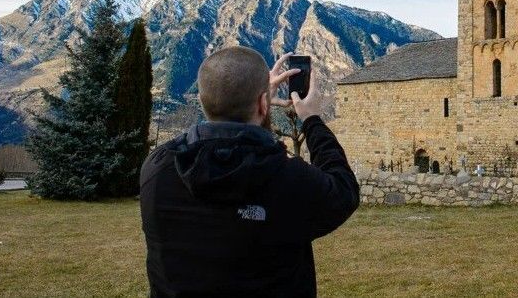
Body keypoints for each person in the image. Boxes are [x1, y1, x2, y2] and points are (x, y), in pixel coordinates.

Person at [140, 46, 359, 297]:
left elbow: (199, 144)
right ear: (264, 104)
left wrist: (257, 104)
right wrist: (311, 119)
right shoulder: (288, 180)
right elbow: (343, 189)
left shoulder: (156, 170)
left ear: (201, 100)